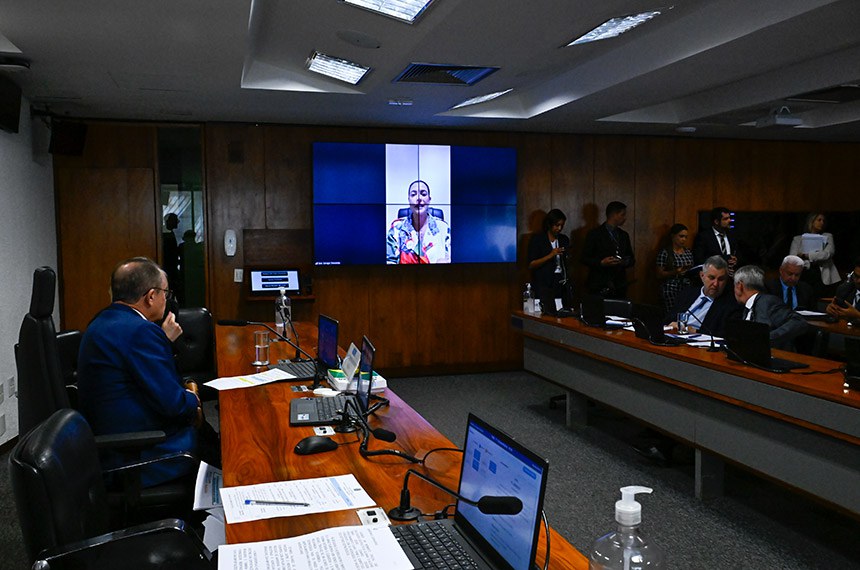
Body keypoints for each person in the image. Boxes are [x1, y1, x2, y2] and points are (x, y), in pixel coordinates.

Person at [77, 257, 218, 488]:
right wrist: (193, 399)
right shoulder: (140, 331)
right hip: (136, 455)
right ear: (151, 296)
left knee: (210, 436)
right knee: (221, 449)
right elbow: (175, 405)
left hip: (109, 446)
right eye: (165, 292)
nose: (167, 299)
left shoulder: (104, 321)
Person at [733, 265, 809, 351]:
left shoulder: (767, 302)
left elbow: (799, 322)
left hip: (775, 358)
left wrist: (766, 339)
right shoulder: (749, 307)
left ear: (740, 286)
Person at [665, 255, 736, 337]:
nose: (716, 284)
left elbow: (725, 334)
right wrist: (670, 325)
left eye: (721, 279)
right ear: (702, 276)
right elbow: (668, 319)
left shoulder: (730, 304)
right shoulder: (687, 293)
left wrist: (695, 331)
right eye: (711, 278)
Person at [386, 180, 451, 264]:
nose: (419, 198)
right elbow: (389, 262)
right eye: (413, 194)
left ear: (429, 200)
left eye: (423, 194)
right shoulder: (396, 228)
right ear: (408, 199)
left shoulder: (444, 228)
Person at [581, 201, 635, 298]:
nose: (624, 218)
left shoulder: (624, 235)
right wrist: (601, 262)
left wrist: (623, 261)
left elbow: (631, 259)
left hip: (619, 285)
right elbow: (584, 258)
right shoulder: (594, 234)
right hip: (599, 285)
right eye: (622, 215)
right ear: (614, 215)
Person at [528, 209, 572, 311]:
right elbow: (531, 264)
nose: (559, 228)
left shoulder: (564, 239)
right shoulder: (538, 240)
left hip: (560, 284)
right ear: (549, 224)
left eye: (562, 225)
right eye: (557, 225)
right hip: (543, 284)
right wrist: (550, 255)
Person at [789, 212, 840, 298]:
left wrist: (806, 256)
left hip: (822, 275)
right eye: (819, 220)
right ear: (811, 221)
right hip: (804, 272)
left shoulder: (827, 236)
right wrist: (815, 256)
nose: (822, 223)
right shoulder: (798, 239)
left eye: (823, 220)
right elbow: (793, 257)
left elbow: (827, 254)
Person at [655, 223, 694, 313]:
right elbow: (659, 274)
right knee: (673, 313)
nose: (683, 239)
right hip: (671, 287)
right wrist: (675, 272)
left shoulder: (688, 251)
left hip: (686, 286)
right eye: (681, 236)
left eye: (686, 237)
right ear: (673, 236)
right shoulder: (665, 253)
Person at [692, 207, 739, 275]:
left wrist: (735, 260)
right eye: (725, 219)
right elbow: (699, 259)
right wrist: (724, 258)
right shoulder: (704, 236)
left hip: (731, 276)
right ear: (716, 221)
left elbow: (737, 253)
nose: (729, 220)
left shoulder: (732, 235)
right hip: (713, 276)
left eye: (729, 218)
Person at [826, 256, 860, 323]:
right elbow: (837, 313)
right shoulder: (844, 289)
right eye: (856, 276)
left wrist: (858, 315)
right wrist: (832, 310)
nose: (858, 281)